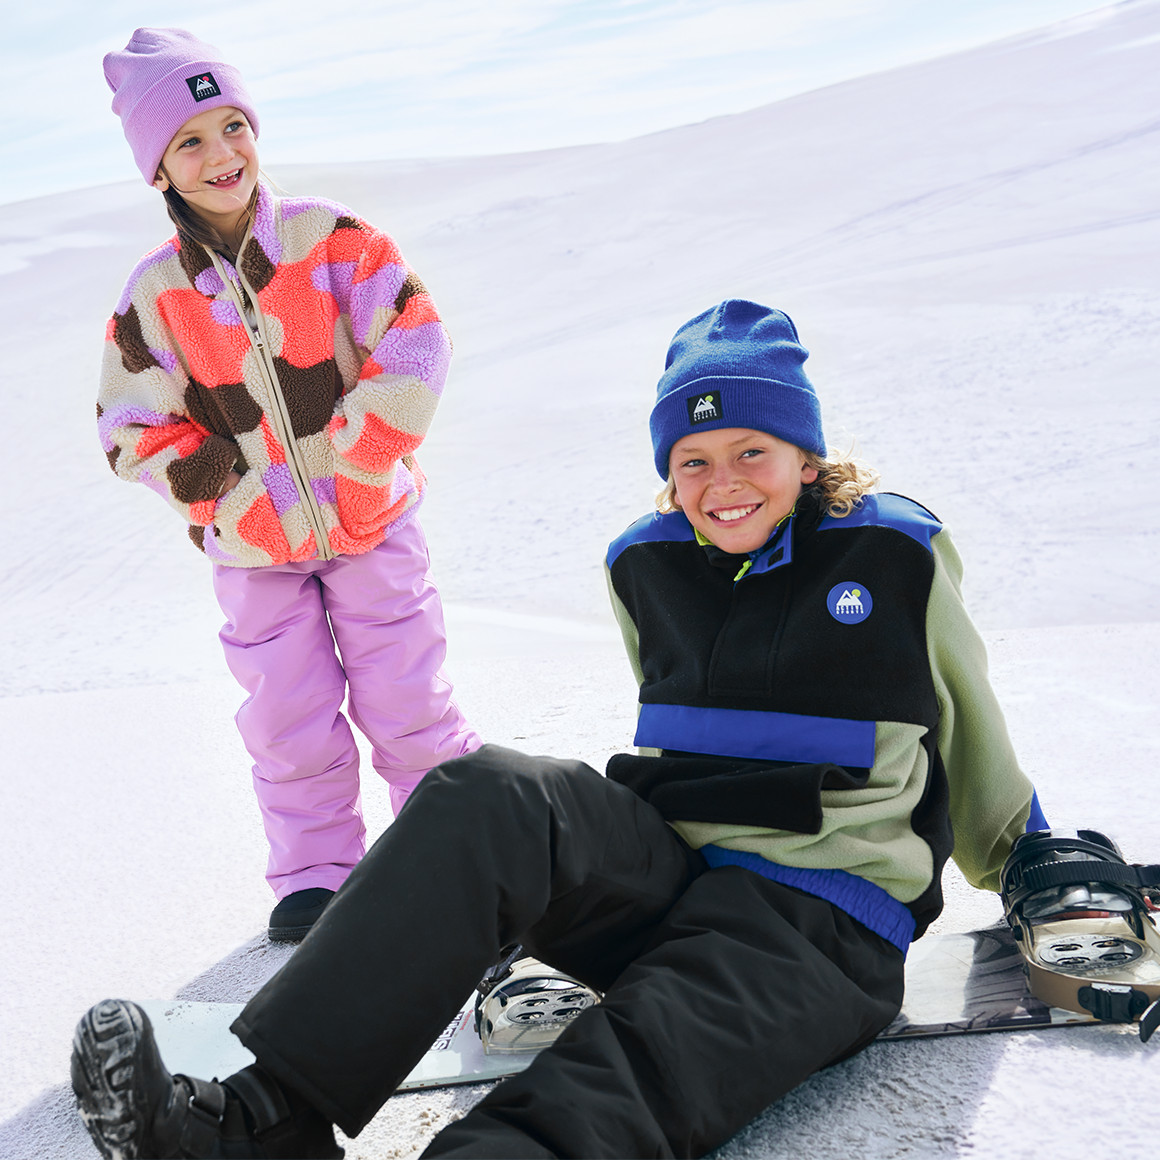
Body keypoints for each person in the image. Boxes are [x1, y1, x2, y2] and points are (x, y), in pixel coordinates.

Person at [72, 300, 1048, 1159]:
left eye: (752, 449)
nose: (723, 481)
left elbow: (966, 728)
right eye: (692, 459)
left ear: (805, 452)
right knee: (484, 790)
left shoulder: (891, 549)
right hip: (673, 872)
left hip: (820, 912)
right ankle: (259, 1118)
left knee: (640, 1043)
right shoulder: (645, 559)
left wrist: (1031, 862)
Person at [98, 28, 481, 941]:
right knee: (287, 717)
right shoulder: (155, 298)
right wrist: (236, 499)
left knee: (409, 702)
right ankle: (317, 874)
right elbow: (130, 427)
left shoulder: (329, 239)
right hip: (255, 552)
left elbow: (416, 335)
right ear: (157, 169)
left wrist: (364, 451)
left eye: (231, 124)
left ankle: (455, 853)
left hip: (373, 522)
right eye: (188, 140)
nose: (220, 152)